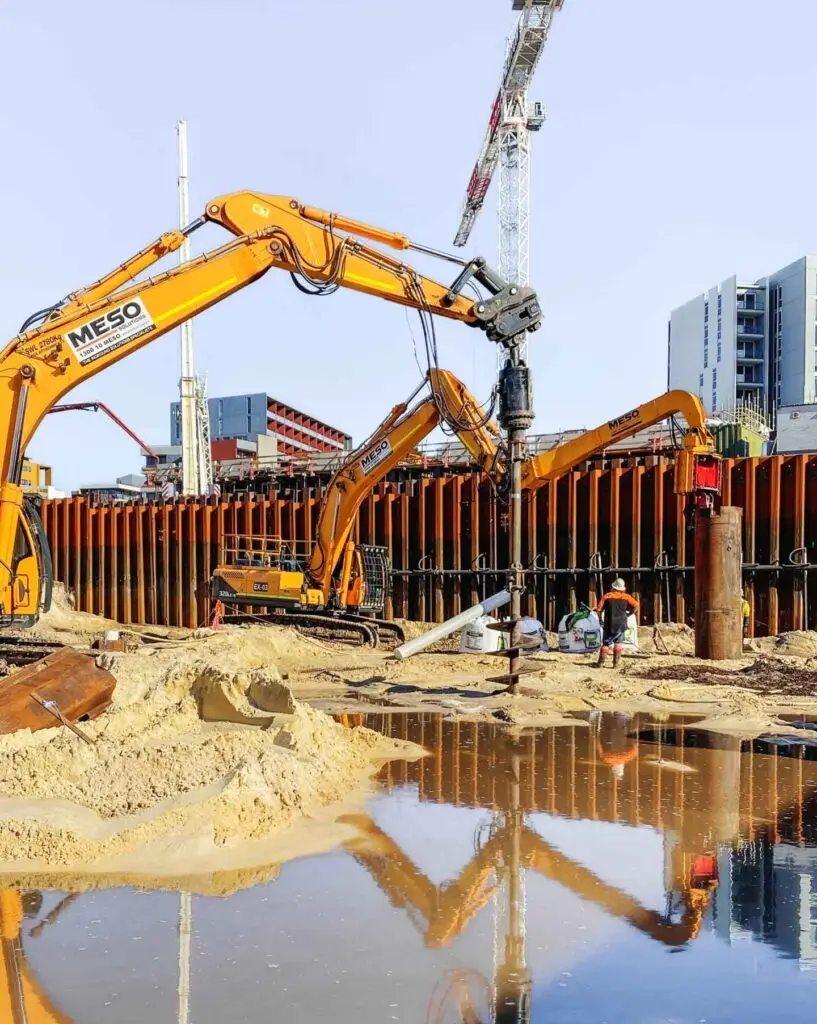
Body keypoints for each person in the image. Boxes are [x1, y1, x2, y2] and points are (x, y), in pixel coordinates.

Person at [595, 578, 639, 668]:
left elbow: (598, 609)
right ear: (622, 589)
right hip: (621, 624)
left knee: (606, 643)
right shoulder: (626, 597)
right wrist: (629, 614)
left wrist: (600, 620)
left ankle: (600, 663)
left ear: (613, 587)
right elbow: (636, 606)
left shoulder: (607, 596)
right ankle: (616, 664)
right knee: (618, 643)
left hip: (609, 624)